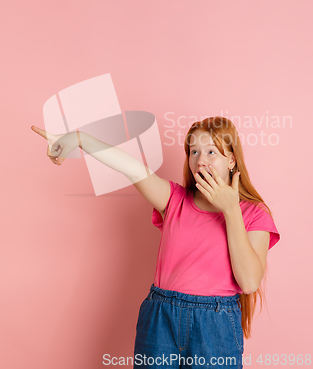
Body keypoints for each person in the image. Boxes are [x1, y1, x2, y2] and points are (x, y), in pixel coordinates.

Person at [31, 116, 280, 369]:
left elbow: (249, 282)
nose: (200, 160)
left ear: (231, 160)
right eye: (193, 151)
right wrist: (79, 139)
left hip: (215, 324)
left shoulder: (254, 213)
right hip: (161, 318)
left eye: (211, 151)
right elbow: (132, 168)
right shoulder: (175, 199)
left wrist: (231, 210)